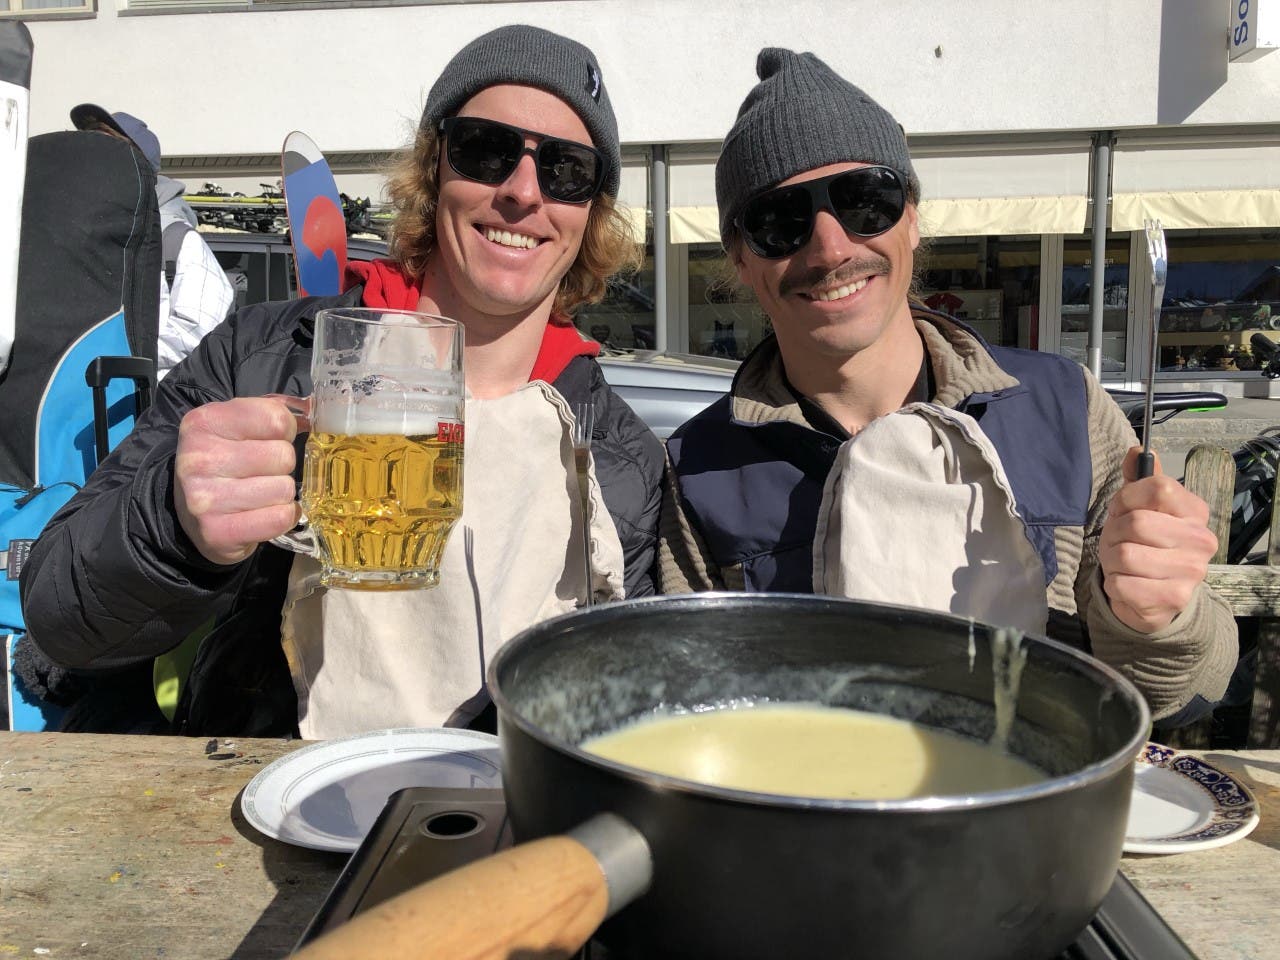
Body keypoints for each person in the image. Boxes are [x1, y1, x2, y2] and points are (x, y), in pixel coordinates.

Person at [23, 25, 663, 738]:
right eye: (486, 150)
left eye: (567, 171)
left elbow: (620, 716)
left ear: (591, 212)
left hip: (501, 830)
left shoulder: (621, 457)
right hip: (261, 816)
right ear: (435, 170)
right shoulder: (265, 357)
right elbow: (58, 615)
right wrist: (171, 526)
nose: (521, 192)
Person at [659, 47, 1237, 726]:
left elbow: (1184, 696)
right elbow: (698, 711)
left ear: (911, 216)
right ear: (742, 261)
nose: (830, 247)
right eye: (779, 221)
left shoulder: (1062, 408)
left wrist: (1156, 616)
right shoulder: (700, 467)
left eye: (863, 200)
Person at [70, 104, 234, 380]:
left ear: (141, 169)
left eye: (111, 148)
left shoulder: (176, 240)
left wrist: (102, 355)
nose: (94, 159)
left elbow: (200, 333)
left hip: (150, 412)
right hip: (77, 408)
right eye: (90, 145)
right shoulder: (81, 237)